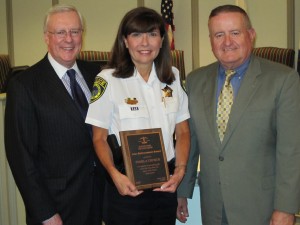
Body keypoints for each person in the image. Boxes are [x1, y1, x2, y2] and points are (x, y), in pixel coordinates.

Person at [177, 4, 300, 225]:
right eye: (219, 35)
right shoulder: (196, 80)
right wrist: (182, 191)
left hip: (261, 207)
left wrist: (286, 208)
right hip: (212, 205)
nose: (227, 42)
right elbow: (191, 140)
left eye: (235, 33)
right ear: (211, 40)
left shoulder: (284, 80)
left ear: (251, 35)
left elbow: (291, 150)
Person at [86, 7, 190, 225]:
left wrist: (179, 172)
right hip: (126, 189)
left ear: (162, 40)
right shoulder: (107, 80)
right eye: (136, 34)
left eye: (152, 34)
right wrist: (115, 175)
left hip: (166, 187)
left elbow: (183, 132)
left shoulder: (173, 77)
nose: (145, 43)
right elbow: (99, 138)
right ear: (125, 41)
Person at [5, 4, 105, 225]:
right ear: (46, 38)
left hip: (98, 199)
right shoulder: (24, 85)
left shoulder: (97, 74)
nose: (69, 39)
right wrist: (45, 213)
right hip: (56, 207)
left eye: (75, 31)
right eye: (60, 32)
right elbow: (21, 158)